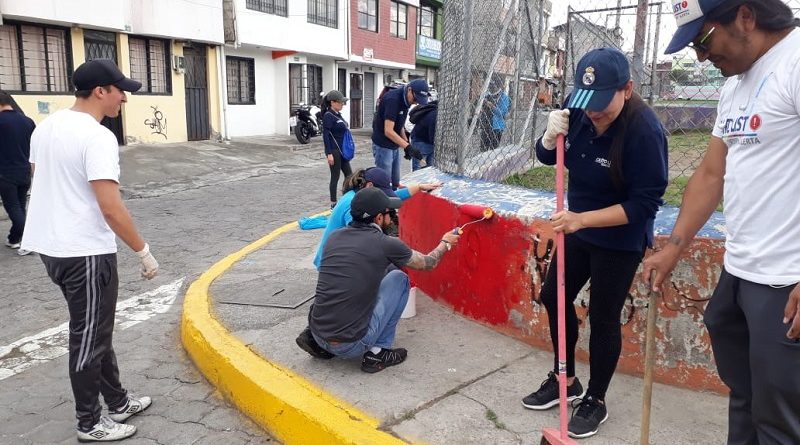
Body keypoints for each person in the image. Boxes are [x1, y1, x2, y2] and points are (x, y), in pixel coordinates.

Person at [645, 1, 800, 443]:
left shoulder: (795, 64)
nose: (700, 56)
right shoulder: (735, 85)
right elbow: (713, 173)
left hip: (786, 283)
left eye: (704, 39)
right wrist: (674, 246)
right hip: (740, 273)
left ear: (746, 16)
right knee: (745, 402)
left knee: (781, 422)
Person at [521, 47, 668, 439]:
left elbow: (644, 205)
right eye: (587, 103)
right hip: (577, 228)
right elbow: (547, 157)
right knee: (554, 296)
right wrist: (549, 136)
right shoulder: (579, 107)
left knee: (603, 317)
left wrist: (582, 219)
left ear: (627, 89)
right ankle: (565, 378)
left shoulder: (645, 132)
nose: (593, 113)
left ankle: (596, 399)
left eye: (602, 103)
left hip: (619, 238)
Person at [20, 59, 159, 442]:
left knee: (96, 329)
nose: (124, 100)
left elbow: (42, 180)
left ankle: (117, 400)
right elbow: (111, 207)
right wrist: (143, 250)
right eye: (120, 91)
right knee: (89, 337)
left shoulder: (45, 128)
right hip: (85, 251)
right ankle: (90, 423)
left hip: (52, 248)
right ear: (101, 91)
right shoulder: (98, 137)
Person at [296, 187, 461, 372]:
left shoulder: (334, 237)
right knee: (399, 279)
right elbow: (428, 263)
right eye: (389, 212)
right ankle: (377, 353)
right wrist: (445, 243)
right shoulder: (385, 244)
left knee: (352, 278)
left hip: (318, 335)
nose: (392, 216)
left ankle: (323, 341)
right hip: (350, 345)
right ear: (378, 218)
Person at [312, 166, 441, 269]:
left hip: (333, 258)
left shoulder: (358, 196)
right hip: (334, 263)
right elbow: (363, 242)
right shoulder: (352, 206)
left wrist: (418, 187)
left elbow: (390, 198)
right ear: (370, 185)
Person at [371, 79, 428, 189]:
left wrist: (406, 144)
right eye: (416, 99)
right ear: (410, 90)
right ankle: (384, 204)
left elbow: (399, 124)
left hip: (394, 144)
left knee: (396, 181)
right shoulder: (393, 100)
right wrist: (407, 147)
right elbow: (388, 131)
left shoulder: (406, 101)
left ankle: (393, 200)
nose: (416, 102)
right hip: (383, 145)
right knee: (385, 181)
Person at [0, 90, 35, 256]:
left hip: (5, 173)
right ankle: (14, 239)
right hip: (25, 171)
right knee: (20, 207)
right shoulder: (27, 121)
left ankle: (28, 241)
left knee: (13, 208)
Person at [322, 90, 353, 209]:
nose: (342, 105)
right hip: (334, 151)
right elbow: (325, 136)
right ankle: (333, 203)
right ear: (332, 102)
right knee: (335, 176)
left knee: (349, 175)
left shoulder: (338, 115)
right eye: (340, 103)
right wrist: (328, 153)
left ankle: (347, 199)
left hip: (342, 151)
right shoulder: (328, 116)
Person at [409, 100, 438, 171]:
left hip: (419, 138)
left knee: (419, 167)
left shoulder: (432, 112)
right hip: (421, 141)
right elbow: (432, 134)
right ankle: (418, 181)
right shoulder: (434, 114)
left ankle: (419, 180)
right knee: (422, 168)